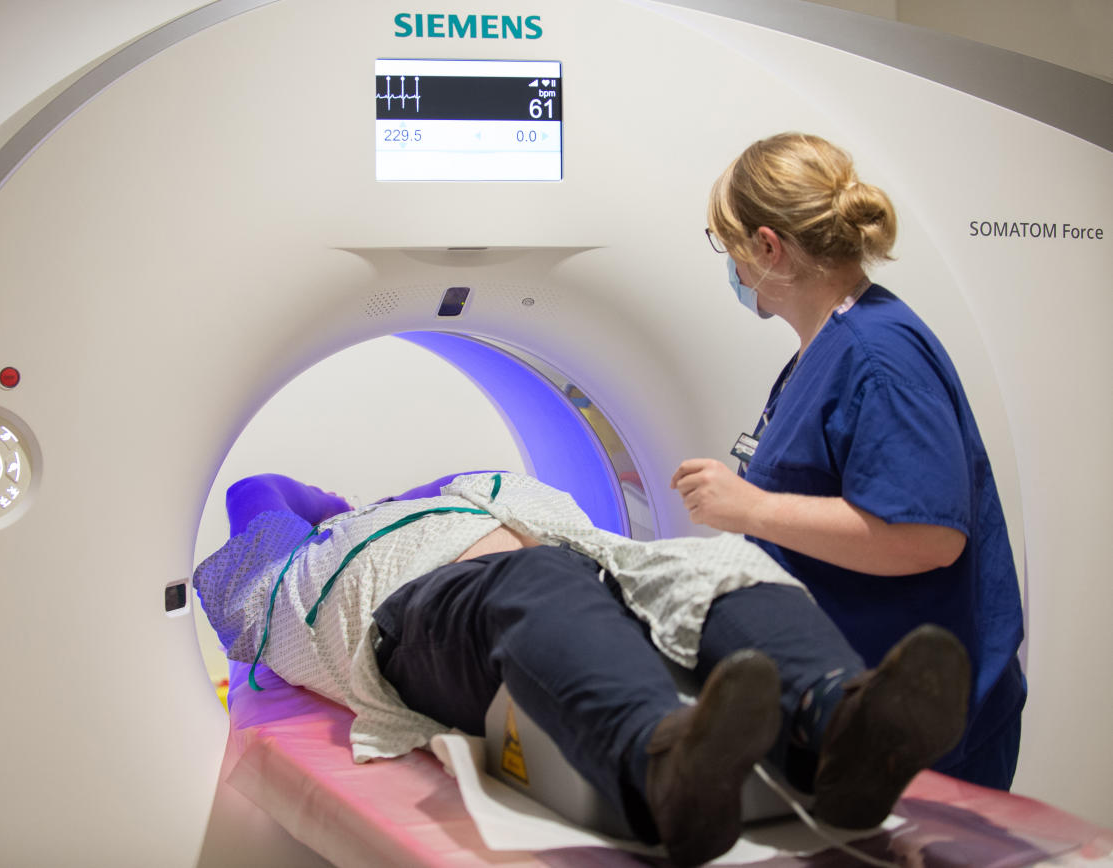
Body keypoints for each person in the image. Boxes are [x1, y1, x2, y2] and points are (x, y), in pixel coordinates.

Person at [195, 470, 970, 866]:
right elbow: (255, 490)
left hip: (590, 574)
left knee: (707, 562)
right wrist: (341, 504)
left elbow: (500, 484)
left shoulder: (473, 492)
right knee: (537, 584)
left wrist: (417, 490)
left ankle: (835, 725)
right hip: (424, 622)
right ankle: (659, 767)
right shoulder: (288, 562)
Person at [672, 132, 1026, 791]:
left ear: (768, 247)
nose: (731, 266)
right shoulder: (832, 340)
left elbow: (929, 538)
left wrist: (751, 507)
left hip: (923, 723)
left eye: (729, 247)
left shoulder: (878, 356)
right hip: (854, 694)